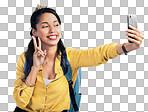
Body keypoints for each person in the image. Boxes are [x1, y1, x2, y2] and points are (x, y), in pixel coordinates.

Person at [13, 4, 144, 112]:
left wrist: (127, 47)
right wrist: (35, 68)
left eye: (56, 24)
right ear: (34, 31)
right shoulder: (25, 59)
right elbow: (21, 102)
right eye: (45, 26)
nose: (53, 30)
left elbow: (98, 53)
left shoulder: (70, 57)